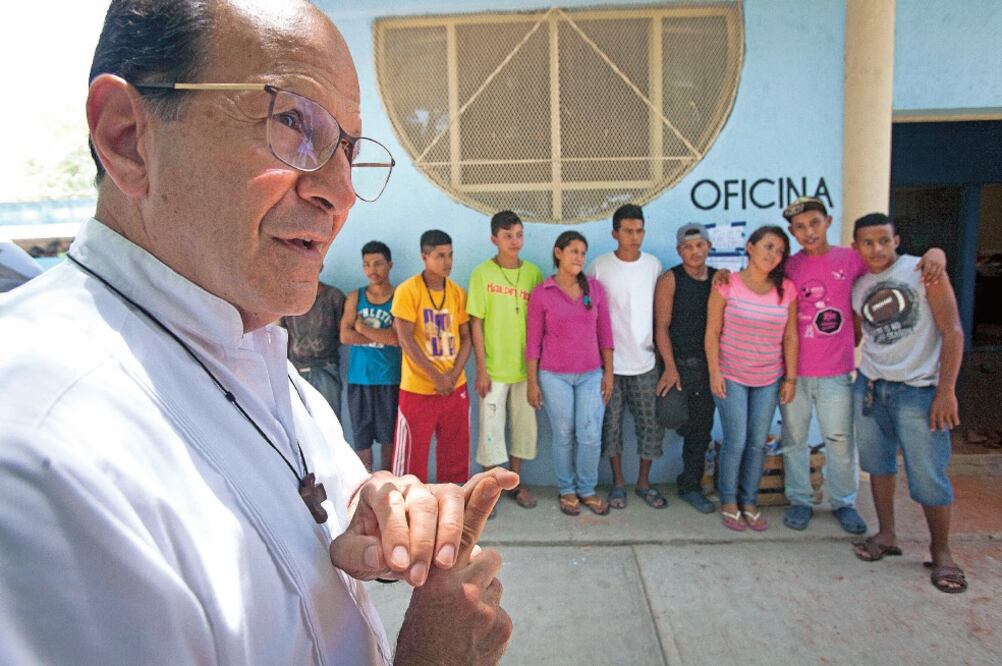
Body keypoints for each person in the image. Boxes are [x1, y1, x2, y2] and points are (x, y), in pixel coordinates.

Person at [0, 2, 516, 663]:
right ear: (129, 137)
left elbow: (328, 501)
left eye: (348, 150)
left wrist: (384, 512)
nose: (341, 191)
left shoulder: (250, 342)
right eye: (292, 123)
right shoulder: (44, 452)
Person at [778, 197, 946, 534]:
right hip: (794, 373)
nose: (809, 232)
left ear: (828, 221)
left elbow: (892, 263)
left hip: (838, 372)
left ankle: (843, 501)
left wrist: (935, 253)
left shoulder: (852, 258)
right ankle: (799, 499)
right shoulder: (789, 266)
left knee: (840, 440)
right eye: (800, 227)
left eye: (814, 223)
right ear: (792, 232)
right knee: (794, 438)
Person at [850, 213, 967, 594]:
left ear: (896, 240)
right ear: (856, 247)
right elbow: (856, 335)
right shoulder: (858, 284)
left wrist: (946, 389)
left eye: (883, 240)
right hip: (871, 388)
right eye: (867, 242)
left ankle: (942, 552)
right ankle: (886, 534)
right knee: (878, 466)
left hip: (918, 391)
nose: (877, 248)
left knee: (928, 474)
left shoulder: (923, 271)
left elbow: (952, 331)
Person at [706, 226, 798, 532]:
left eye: (780, 251)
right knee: (737, 440)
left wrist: (791, 379)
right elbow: (712, 332)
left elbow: (790, 338)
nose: (773, 255)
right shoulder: (726, 285)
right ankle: (729, 501)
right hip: (731, 375)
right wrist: (714, 372)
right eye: (768, 247)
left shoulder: (787, 289)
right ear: (750, 246)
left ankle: (749, 501)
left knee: (758, 442)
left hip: (768, 378)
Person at [526, 231, 615, 516]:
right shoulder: (543, 293)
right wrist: (532, 382)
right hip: (554, 376)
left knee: (590, 434)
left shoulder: (595, 289)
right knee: (563, 434)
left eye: (582, 253)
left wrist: (608, 373)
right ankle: (567, 490)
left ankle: (587, 489)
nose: (579, 257)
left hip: (591, 374)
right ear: (558, 253)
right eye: (573, 251)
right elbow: (532, 341)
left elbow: (606, 335)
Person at [588, 204, 666, 509]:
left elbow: (660, 316)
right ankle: (618, 483)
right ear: (615, 233)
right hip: (610, 365)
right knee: (611, 426)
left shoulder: (654, 266)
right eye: (628, 231)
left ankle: (644, 482)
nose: (635, 237)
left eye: (639, 231)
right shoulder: (599, 267)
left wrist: (662, 360)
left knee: (651, 425)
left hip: (646, 362)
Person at [468, 211, 544, 511]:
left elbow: (539, 324)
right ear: (494, 239)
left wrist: (535, 374)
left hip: (525, 370)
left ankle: (516, 483)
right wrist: (482, 369)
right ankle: (489, 491)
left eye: (518, 234)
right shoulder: (481, 274)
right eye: (507, 235)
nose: (514, 241)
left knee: (523, 429)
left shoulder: (533, 274)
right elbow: (475, 323)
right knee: (491, 430)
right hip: (494, 370)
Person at [392, 229, 472, 483]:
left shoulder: (457, 292)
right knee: (411, 458)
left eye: (450, 255)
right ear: (424, 257)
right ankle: (409, 511)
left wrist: (452, 375)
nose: (447, 262)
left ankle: (452, 506)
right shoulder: (408, 290)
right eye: (440, 256)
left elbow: (467, 338)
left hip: (454, 387)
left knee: (456, 452)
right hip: (418, 389)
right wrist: (436, 376)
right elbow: (405, 338)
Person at [653, 223, 718, 514]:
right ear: (680, 251)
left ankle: (690, 485)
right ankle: (687, 432)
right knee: (671, 415)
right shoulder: (671, 279)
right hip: (678, 365)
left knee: (702, 429)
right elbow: (661, 327)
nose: (694, 252)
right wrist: (669, 367)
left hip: (708, 367)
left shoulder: (719, 280)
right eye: (688, 247)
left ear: (708, 247)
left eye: (699, 245)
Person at [340, 241, 401, 472]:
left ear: (390, 264)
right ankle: (366, 487)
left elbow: (398, 339)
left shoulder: (400, 296)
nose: (372, 270)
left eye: (377, 263)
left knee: (389, 439)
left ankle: (389, 483)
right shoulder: (355, 297)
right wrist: (381, 335)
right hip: (359, 378)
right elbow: (345, 336)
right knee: (361, 439)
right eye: (366, 265)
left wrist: (363, 329)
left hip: (389, 378)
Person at [282, 281, 347, 420]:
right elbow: (281, 334)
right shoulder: (288, 296)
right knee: (299, 424)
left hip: (326, 368)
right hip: (295, 370)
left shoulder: (334, 296)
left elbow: (343, 334)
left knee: (329, 423)